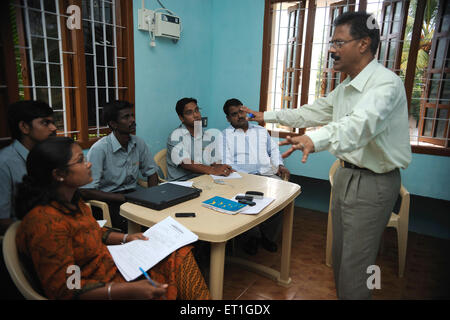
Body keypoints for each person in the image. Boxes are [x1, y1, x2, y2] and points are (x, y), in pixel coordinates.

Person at [242, 11, 411, 299]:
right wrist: (264, 115)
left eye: (338, 42)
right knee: (340, 257)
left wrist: (314, 139)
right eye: (330, 42)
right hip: (346, 175)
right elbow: (311, 111)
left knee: (358, 267)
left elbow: (360, 124)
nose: (331, 49)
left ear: (363, 44)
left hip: (373, 183)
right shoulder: (346, 86)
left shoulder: (386, 84)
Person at [15, 137, 210, 300]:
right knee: (172, 267)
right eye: (80, 160)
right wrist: (127, 290)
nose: (88, 163)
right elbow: (65, 289)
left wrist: (127, 238)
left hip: (110, 266)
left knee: (177, 252)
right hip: (98, 286)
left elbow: (93, 231)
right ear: (58, 174)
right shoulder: (45, 223)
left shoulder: (72, 201)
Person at [222, 98, 290, 255]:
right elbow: (227, 163)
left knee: (280, 199)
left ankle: (267, 236)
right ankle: (251, 237)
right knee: (247, 204)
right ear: (228, 118)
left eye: (241, 111)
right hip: (242, 178)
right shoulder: (224, 136)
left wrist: (279, 165)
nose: (239, 116)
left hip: (267, 175)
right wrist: (248, 175)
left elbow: (273, 151)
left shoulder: (260, 131)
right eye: (234, 114)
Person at [80, 101, 159, 232]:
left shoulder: (138, 143)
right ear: (113, 124)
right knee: (141, 228)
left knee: (161, 220)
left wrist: (154, 198)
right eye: (126, 117)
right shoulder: (100, 149)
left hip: (133, 196)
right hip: (109, 200)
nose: (132, 120)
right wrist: (122, 198)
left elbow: (151, 173)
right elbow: (86, 191)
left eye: (132, 115)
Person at [0, 100, 57, 235]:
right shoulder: (4, 163)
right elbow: (3, 221)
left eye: (53, 122)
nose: (53, 128)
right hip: (26, 234)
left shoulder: (46, 155)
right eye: (45, 123)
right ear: (24, 127)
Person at [166, 97, 233, 181]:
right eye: (189, 113)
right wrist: (213, 170)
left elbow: (213, 160)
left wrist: (222, 168)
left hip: (202, 180)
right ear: (181, 118)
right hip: (182, 183)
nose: (196, 115)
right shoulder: (175, 137)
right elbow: (186, 163)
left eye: (197, 110)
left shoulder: (207, 135)